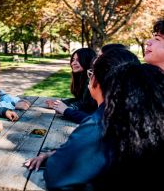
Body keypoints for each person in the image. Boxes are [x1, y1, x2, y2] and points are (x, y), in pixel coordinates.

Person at [25, 48, 161, 190]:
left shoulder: (99, 124)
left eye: (92, 73)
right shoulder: (138, 115)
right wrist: (55, 153)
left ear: (101, 81)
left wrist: (54, 159)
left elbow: (58, 176)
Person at [46, 48, 97, 123]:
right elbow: (80, 99)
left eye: (78, 60)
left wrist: (67, 109)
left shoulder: (91, 79)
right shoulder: (80, 77)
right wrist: (60, 103)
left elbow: (87, 104)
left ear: (87, 61)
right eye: (73, 59)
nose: (73, 63)